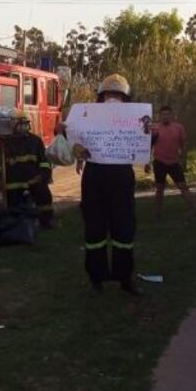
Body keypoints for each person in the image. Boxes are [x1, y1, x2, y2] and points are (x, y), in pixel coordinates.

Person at [74, 74, 146, 296]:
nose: (112, 99)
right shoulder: (86, 116)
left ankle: (125, 277)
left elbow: (143, 144)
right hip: (95, 175)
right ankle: (96, 278)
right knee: (94, 227)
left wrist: (149, 134)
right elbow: (75, 139)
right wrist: (74, 145)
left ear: (125, 99)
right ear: (101, 97)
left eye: (117, 95)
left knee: (124, 227)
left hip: (121, 176)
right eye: (109, 94)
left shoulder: (137, 119)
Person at [0, 109, 55, 229]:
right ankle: (17, 228)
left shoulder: (36, 141)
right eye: (20, 124)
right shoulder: (5, 142)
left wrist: (42, 176)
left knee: (45, 199)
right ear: (14, 125)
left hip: (34, 181)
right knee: (15, 208)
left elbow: (44, 162)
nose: (23, 127)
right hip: (13, 185)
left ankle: (45, 222)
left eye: (25, 124)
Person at [150, 105, 196, 221]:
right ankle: (157, 214)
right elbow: (148, 145)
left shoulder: (178, 128)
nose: (165, 117)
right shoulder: (154, 128)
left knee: (183, 186)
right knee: (159, 188)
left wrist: (184, 160)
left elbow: (184, 144)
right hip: (159, 162)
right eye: (163, 115)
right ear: (159, 116)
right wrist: (147, 162)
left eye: (168, 114)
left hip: (174, 162)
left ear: (171, 115)